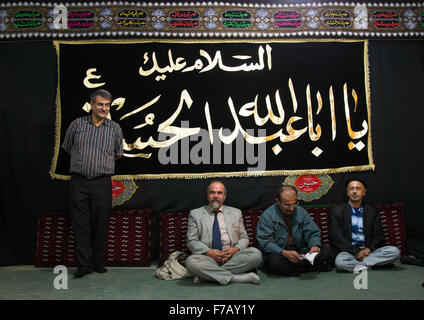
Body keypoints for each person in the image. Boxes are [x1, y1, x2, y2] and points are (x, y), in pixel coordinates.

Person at [62, 89, 123, 278]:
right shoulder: (77, 125)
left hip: (102, 183)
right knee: (81, 225)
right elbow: (68, 148)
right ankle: (84, 265)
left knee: (100, 224)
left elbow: (117, 153)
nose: (104, 108)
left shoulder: (114, 128)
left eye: (107, 105)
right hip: (79, 182)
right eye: (100, 104)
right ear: (91, 105)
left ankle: (98, 263)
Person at [185, 181, 262, 285]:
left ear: (224, 196)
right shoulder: (195, 214)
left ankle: (207, 276)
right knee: (191, 262)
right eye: (212, 192)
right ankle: (236, 278)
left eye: (219, 193)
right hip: (208, 257)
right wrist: (209, 252)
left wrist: (235, 249)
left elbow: (244, 238)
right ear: (207, 195)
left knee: (256, 254)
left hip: (232, 256)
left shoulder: (236, 212)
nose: (216, 196)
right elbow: (191, 241)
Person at [256, 185, 333, 276]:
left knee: (327, 252)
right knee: (273, 262)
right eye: (287, 205)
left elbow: (313, 233)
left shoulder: (301, 212)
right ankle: (310, 267)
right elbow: (265, 242)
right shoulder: (268, 216)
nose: (292, 208)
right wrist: (284, 252)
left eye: (294, 203)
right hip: (281, 253)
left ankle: (296, 269)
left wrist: (315, 246)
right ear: (278, 202)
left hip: (300, 250)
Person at [330, 177, 400, 272]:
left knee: (394, 252)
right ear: (347, 192)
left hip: (369, 252)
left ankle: (361, 265)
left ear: (364, 192)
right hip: (349, 252)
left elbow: (379, 235)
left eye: (358, 188)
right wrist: (355, 252)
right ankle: (374, 264)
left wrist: (368, 249)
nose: (354, 191)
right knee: (340, 262)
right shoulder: (337, 211)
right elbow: (336, 236)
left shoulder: (371, 211)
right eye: (351, 189)